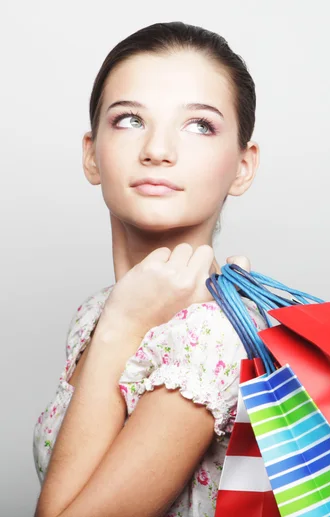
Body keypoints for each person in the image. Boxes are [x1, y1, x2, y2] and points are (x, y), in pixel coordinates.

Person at [32, 21, 266, 517]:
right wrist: (119, 318)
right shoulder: (95, 313)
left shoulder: (210, 336)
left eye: (199, 125)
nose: (158, 150)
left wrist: (124, 326)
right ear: (91, 154)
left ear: (242, 166)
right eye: (129, 120)